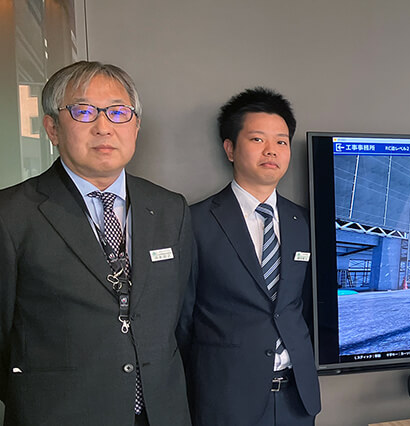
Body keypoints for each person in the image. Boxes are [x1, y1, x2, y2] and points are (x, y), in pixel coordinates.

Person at [0, 61, 194, 425]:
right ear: (52, 128)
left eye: (118, 112)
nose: (104, 126)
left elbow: (180, 319)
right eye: (84, 111)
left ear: (136, 126)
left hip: (161, 413)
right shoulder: (11, 214)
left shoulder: (170, 209)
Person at [177, 87, 321, 425]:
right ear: (230, 148)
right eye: (257, 139)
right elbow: (182, 320)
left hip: (296, 400)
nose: (271, 150)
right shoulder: (195, 222)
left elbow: (306, 307)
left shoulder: (305, 221)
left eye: (281, 141)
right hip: (226, 400)